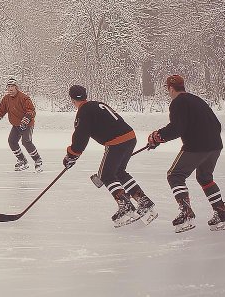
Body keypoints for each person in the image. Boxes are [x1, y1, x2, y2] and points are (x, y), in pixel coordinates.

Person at [147, 75, 225, 232]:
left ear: (171, 89)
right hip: (215, 145)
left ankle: (186, 214)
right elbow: (216, 124)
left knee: (175, 175)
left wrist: (158, 136)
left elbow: (177, 128)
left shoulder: (178, 102)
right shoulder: (196, 100)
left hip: (197, 146)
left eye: (168, 90)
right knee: (205, 178)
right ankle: (221, 215)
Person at [63, 85, 157, 226]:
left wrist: (71, 155)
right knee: (119, 172)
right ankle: (144, 202)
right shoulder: (97, 104)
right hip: (130, 137)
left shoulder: (83, 112)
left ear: (72, 100)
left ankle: (126, 207)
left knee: (106, 175)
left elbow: (81, 137)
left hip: (116, 142)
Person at [0, 77, 43, 171]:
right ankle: (22, 160)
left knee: (26, 141)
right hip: (16, 124)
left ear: (16, 88)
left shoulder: (24, 98)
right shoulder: (6, 99)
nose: (10, 89)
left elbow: (31, 111)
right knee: (12, 141)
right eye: (8, 87)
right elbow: (1, 111)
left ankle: (37, 160)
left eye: (12, 87)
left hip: (26, 124)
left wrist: (26, 119)